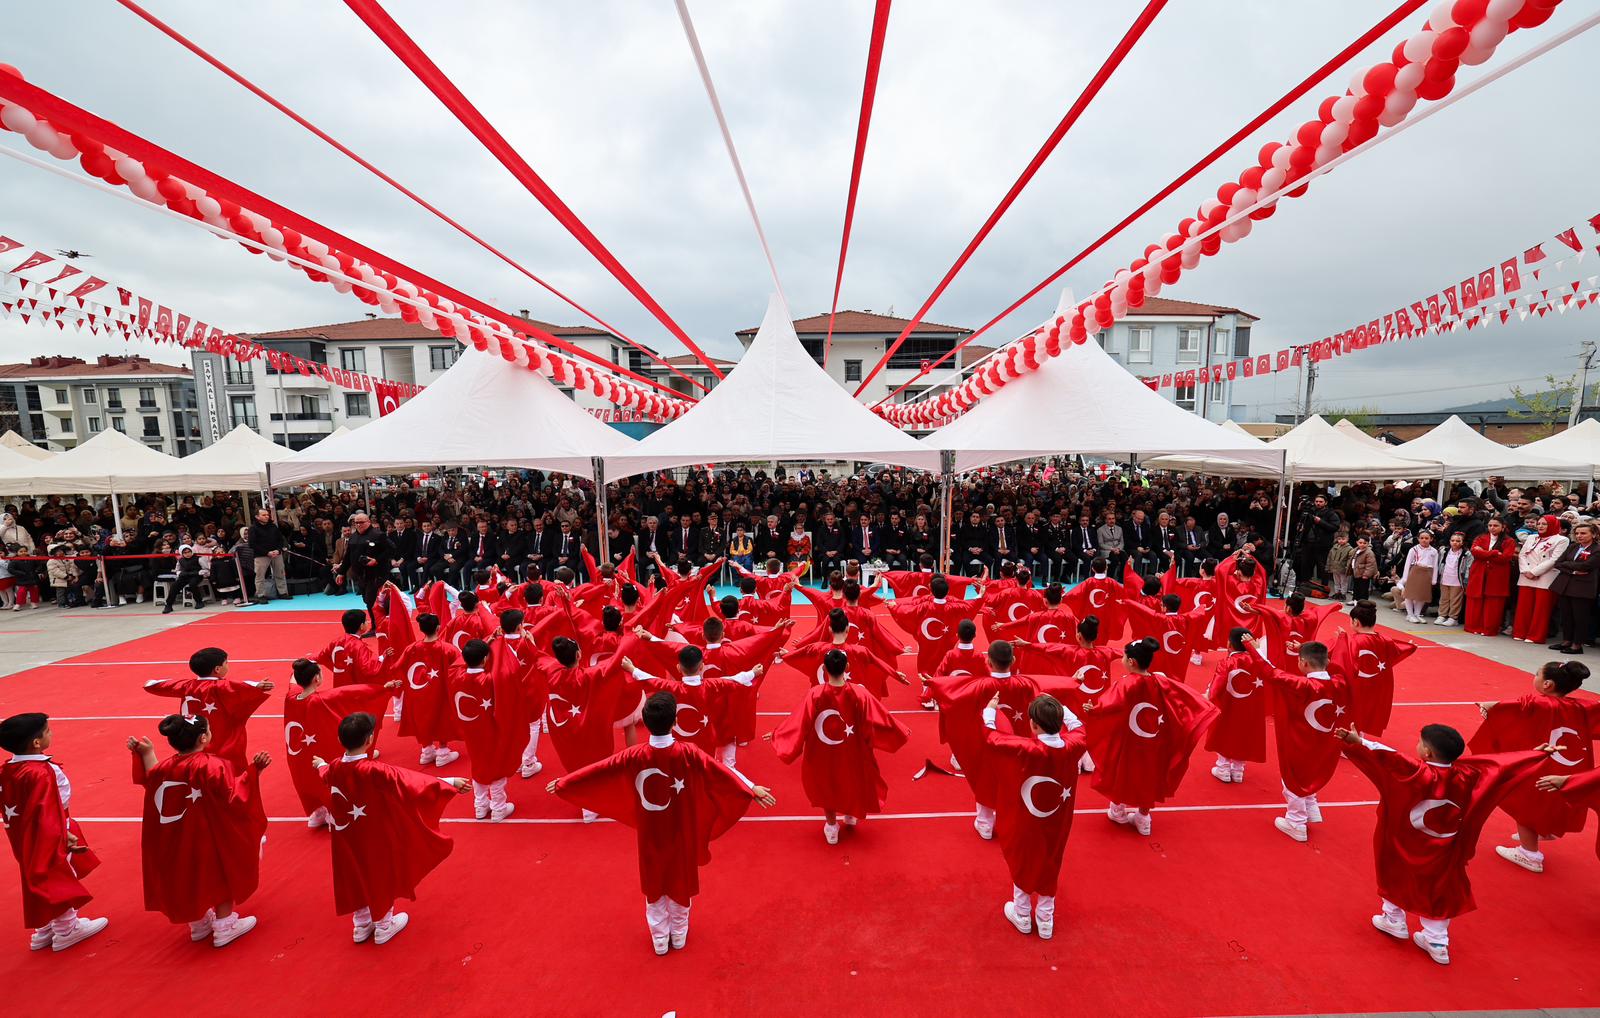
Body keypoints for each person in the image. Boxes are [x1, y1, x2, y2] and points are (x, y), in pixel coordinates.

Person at [548, 691, 776, 955]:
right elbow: (721, 772)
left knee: (654, 879)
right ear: (674, 720)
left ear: (645, 720)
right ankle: (678, 933)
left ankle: (659, 938)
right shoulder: (688, 752)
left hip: (650, 831)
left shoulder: (633, 755)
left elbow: (600, 769)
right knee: (680, 875)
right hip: (681, 827)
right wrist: (750, 788)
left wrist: (567, 781)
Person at [1337, 723, 1559, 966]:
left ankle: (1393, 919)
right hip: (1445, 847)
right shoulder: (1468, 775)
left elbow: (1386, 756)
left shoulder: (1413, 772)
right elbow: (1500, 766)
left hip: (1402, 839)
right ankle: (1437, 941)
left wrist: (1359, 743)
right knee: (1441, 888)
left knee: (1394, 873)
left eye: (1420, 743)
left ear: (1428, 753)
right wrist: (1534, 755)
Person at [311, 712, 470, 945]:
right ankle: (384, 924)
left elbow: (326, 773)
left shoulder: (335, 767)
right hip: (373, 834)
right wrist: (448, 783)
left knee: (353, 872)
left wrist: (321, 764)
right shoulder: (373, 770)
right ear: (369, 740)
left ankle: (362, 923)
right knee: (379, 870)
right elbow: (410, 781)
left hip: (345, 835)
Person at [127, 714, 270, 947]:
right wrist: (255, 771)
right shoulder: (212, 765)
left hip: (175, 839)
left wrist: (146, 753)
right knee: (221, 871)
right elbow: (234, 796)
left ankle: (198, 922)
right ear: (204, 737)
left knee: (186, 875)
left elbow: (151, 777)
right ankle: (225, 925)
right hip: (205, 835)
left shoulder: (165, 767)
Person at [1471, 660, 1599, 874]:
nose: (1535, 677)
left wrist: (1488, 705)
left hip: (1543, 766)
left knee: (1524, 805)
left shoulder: (1538, 703)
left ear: (1547, 684)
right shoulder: (1582, 706)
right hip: (1572, 768)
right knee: (1553, 801)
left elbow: (1507, 708)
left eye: (1537, 673)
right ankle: (1545, 829)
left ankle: (1530, 854)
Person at [1080, 638, 1217, 837]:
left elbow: (1108, 706)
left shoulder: (1126, 684)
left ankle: (1118, 809)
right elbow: (1183, 696)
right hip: (1155, 740)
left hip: (1129, 741)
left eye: (1125, 656)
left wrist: (1093, 710)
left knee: (1122, 771)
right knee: (1150, 775)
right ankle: (1143, 817)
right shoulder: (1160, 680)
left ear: (1132, 662)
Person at [771, 648, 910, 844]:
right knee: (852, 778)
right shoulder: (860, 693)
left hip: (822, 751)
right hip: (853, 748)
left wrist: (779, 734)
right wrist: (899, 730)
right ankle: (850, 814)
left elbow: (799, 722)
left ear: (825, 669)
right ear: (848, 667)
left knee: (826, 783)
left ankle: (831, 825)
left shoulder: (815, 694)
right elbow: (878, 718)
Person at [982, 693, 1088, 939]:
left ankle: (1021, 913)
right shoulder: (1075, 744)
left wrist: (989, 710)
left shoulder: (1026, 748)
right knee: (1052, 858)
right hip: (1059, 820)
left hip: (1027, 819)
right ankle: (1045, 918)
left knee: (1024, 858)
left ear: (1033, 725)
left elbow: (991, 737)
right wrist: (1061, 706)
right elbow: (1079, 725)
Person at [0, 712, 107, 952]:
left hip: (22, 832)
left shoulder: (8, 769)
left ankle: (45, 926)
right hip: (51, 830)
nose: (52, 733)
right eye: (48, 731)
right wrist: (63, 834)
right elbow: (48, 808)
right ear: (36, 742)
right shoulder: (42, 772)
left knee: (36, 874)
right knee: (58, 875)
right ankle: (66, 929)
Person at [1241, 636, 1350, 842]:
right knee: (1313, 772)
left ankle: (1296, 822)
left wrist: (1254, 649)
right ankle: (1311, 807)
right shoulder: (1340, 682)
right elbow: (1337, 666)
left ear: (1304, 663)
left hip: (1302, 741)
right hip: (1327, 741)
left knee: (1293, 779)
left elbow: (1271, 672)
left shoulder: (1302, 685)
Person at [284, 658, 399, 829]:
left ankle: (317, 812)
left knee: (305, 780)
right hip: (319, 751)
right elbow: (351, 693)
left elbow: (292, 680)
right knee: (325, 776)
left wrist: (300, 667)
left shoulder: (291, 697)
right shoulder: (320, 700)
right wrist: (382, 689)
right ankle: (331, 812)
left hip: (297, 756)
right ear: (317, 679)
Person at [143, 647, 274, 771]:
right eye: (226, 663)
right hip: (223, 745)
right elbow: (242, 685)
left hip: (194, 742)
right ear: (217, 669)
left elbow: (150, 684)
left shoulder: (186, 685)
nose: (227, 665)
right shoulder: (221, 686)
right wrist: (258, 685)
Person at [450, 638, 528, 822]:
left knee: (478, 764)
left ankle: (480, 805)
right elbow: (511, 669)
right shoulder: (491, 681)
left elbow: (459, 662)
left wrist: (487, 640)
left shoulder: (455, 675)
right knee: (497, 765)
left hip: (470, 731)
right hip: (490, 731)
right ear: (485, 659)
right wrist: (498, 643)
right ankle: (499, 807)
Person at [1332, 601, 1417, 737]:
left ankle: (1352, 738)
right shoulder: (1385, 639)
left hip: (1358, 683)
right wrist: (1410, 647)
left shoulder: (1353, 641)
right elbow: (1397, 650)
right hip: (1379, 684)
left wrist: (1341, 640)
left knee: (1352, 708)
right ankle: (1360, 735)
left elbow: (1341, 660)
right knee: (1369, 710)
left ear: (1356, 622)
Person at [389, 613, 463, 768]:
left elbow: (396, 667)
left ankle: (427, 750)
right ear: (438, 628)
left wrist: (407, 684)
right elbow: (460, 668)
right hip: (440, 692)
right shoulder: (448, 649)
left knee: (421, 717)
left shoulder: (411, 648)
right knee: (442, 717)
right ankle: (443, 752)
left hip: (417, 693)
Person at [1205, 628, 1268, 783]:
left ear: (1229, 644)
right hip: (1251, 707)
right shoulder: (1261, 663)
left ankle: (1223, 768)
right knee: (1244, 734)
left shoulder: (1226, 663)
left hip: (1228, 706)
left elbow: (1215, 690)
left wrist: (1208, 700)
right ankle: (1238, 770)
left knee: (1224, 732)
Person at [1513, 514, 1567, 644]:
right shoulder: (1531, 537)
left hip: (1545, 577)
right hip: (1526, 576)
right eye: (1539, 524)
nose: (1541, 526)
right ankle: (1520, 632)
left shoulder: (1561, 540)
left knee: (1541, 609)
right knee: (1523, 607)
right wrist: (1526, 571)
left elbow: (1555, 559)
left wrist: (1535, 572)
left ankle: (1535, 635)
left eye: (1544, 524)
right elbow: (1522, 555)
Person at [1550, 521, 1597, 655]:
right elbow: (1558, 563)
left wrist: (1568, 565)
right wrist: (1572, 570)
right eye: (1577, 533)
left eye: (1583, 533)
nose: (1579, 536)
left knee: (1580, 617)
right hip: (1565, 585)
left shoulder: (1597, 549)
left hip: (1583, 588)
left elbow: (1586, 566)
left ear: (1593, 534)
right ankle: (1566, 641)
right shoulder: (1573, 547)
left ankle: (1577, 644)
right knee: (1566, 615)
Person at [1465, 519, 1517, 636]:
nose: (1492, 528)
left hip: (1497, 575)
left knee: (1494, 602)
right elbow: (1475, 552)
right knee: (1475, 599)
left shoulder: (1509, 541)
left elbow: (1505, 558)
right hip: (1479, 572)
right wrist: (1493, 553)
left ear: (1503, 527)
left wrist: (1484, 552)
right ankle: (1473, 626)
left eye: (1495, 525)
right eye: (1490, 525)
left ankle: (1489, 628)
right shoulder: (1480, 537)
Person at [313, 609, 385, 687]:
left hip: (340, 687)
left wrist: (307, 658)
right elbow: (370, 667)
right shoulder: (359, 646)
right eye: (366, 621)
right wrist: (384, 657)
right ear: (361, 626)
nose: (367, 622)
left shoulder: (336, 641)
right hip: (355, 689)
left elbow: (321, 656)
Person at [248, 507, 290, 601]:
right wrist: (267, 552)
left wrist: (278, 550)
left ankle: (283, 592)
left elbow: (280, 540)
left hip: (276, 554)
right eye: (264, 515)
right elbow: (252, 544)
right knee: (260, 576)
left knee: (280, 573)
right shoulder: (253, 528)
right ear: (257, 517)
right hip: (261, 555)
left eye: (267, 514)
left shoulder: (273, 526)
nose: (267, 516)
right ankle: (261, 595)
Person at [1433, 531, 1469, 628]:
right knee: (1444, 599)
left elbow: (1468, 568)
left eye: (1458, 541)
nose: (1455, 542)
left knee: (1455, 600)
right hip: (1445, 578)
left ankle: (1453, 618)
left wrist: (1466, 580)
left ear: (1462, 542)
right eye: (1453, 540)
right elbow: (1439, 563)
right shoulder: (1444, 551)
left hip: (1457, 580)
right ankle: (1442, 615)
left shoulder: (1466, 554)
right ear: (1449, 541)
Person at [161, 543, 207, 614]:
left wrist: (199, 572)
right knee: (174, 586)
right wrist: (180, 573)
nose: (187, 554)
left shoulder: (199, 558)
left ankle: (199, 601)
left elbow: (206, 569)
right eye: (185, 553)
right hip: (184, 576)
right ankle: (168, 605)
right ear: (182, 553)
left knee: (192, 584)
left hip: (196, 575)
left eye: (189, 552)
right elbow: (177, 570)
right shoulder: (180, 560)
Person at [1325, 530, 1355, 601]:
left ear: (1347, 539)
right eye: (1339, 539)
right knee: (1336, 582)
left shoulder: (1350, 549)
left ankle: (1343, 594)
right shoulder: (1334, 547)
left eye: (1343, 539)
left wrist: (1348, 568)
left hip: (1343, 569)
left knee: (1343, 582)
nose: (1341, 541)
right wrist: (1328, 566)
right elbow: (1329, 557)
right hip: (1334, 568)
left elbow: (1350, 560)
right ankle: (1337, 593)